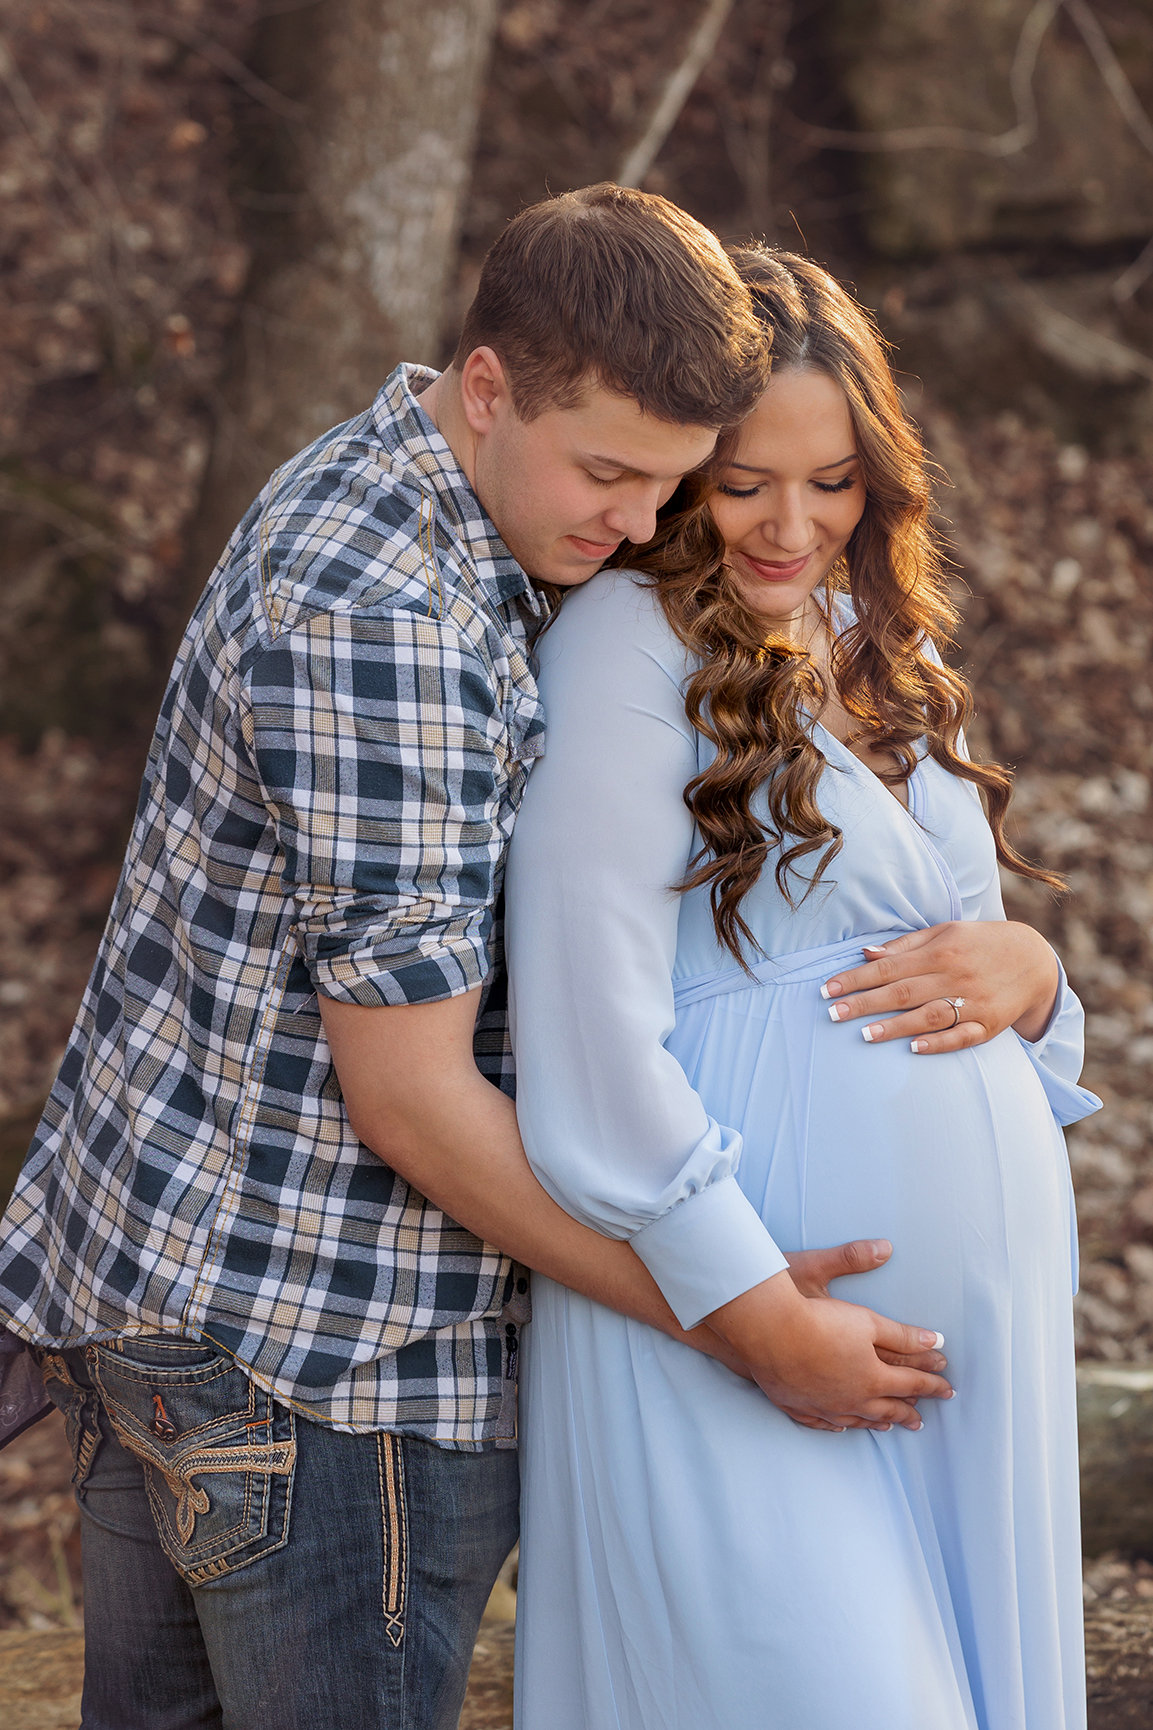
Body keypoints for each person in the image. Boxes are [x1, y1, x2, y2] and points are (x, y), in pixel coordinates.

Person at [0, 190, 951, 1730]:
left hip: (180, 1306)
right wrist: (744, 1318)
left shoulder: (384, 484)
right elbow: (413, 1100)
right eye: (608, 473)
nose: (637, 527)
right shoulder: (393, 618)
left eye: (666, 484)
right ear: (491, 384)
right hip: (322, 1372)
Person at [506, 246, 1101, 1729]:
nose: (791, 525)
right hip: (733, 1327)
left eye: (831, 481)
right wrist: (747, 1304)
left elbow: (966, 967)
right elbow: (588, 1040)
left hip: (952, 1350)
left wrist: (1034, 981)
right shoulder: (622, 650)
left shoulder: (866, 646)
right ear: (681, 473)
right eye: (743, 482)